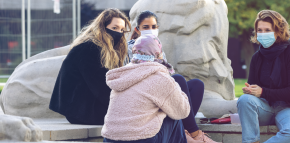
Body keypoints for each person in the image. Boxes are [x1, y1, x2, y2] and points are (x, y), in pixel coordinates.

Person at [125, 10, 219, 143]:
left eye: (153, 27)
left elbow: (165, 73)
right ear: (137, 29)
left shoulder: (157, 46)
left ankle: (184, 129)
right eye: (146, 27)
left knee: (197, 85)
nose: (150, 30)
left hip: (161, 87)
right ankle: (194, 133)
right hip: (145, 91)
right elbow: (130, 74)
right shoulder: (129, 48)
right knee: (179, 79)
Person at [237, 10, 290, 143]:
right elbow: (254, 91)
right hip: (266, 107)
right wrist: (251, 91)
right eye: (259, 30)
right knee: (244, 100)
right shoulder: (257, 57)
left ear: (278, 31)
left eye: (267, 30)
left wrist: (262, 92)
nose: (262, 34)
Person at [101, 34, 196, 143]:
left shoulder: (123, 74)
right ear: (158, 52)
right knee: (174, 116)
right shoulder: (159, 77)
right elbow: (182, 111)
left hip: (110, 139)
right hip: (141, 140)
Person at [49, 8, 131, 125]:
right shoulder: (89, 48)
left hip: (88, 106)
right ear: (102, 27)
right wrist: (122, 108)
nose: (119, 33)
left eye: (122, 30)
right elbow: (99, 86)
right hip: (81, 111)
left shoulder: (102, 48)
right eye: (114, 28)